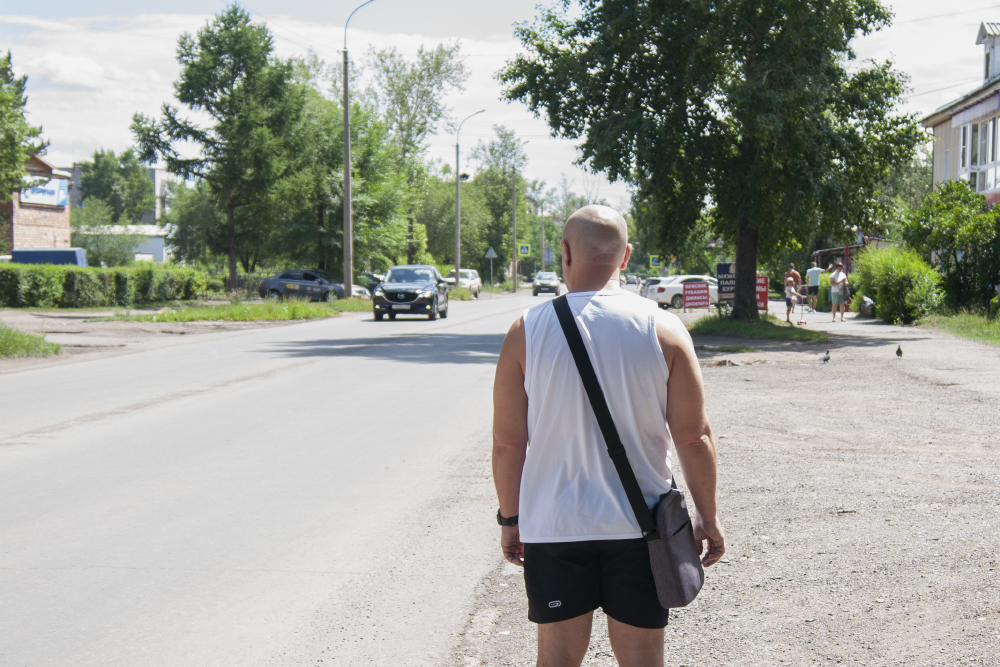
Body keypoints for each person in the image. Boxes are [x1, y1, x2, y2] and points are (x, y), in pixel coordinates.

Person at [492, 204, 725, 667]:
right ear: (626, 256)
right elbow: (694, 437)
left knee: (556, 658)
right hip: (643, 529)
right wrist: (707, 515)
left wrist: (510, 520)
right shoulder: (664, 328)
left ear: (565, 251)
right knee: (642, 659)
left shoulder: (526, 331)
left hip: (554, 526)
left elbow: (507, 443)